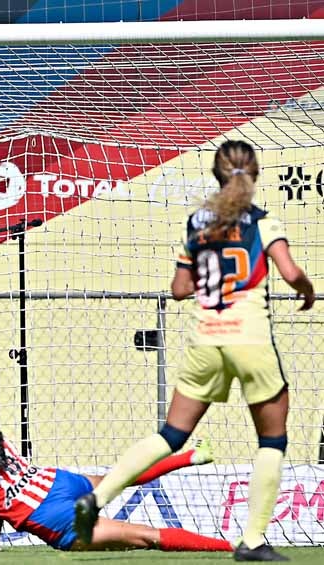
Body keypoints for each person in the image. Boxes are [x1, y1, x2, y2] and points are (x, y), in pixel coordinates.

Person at [73, 140, 314, 562]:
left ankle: (96, 497)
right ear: (253, 174)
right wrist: (306, 290)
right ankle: (253, 540)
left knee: (171, 434)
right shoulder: (263, 221)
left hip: (206, 336)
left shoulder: (196, 225)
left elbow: (180, 289)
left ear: (216, 175)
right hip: (250, 337)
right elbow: (290, 272)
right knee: (272, 439)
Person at [0, 384, 229, 554]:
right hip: (54, 481)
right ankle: (188, 458)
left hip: (52, 516)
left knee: (147, 536)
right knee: (120, 478)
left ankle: (234, 549)